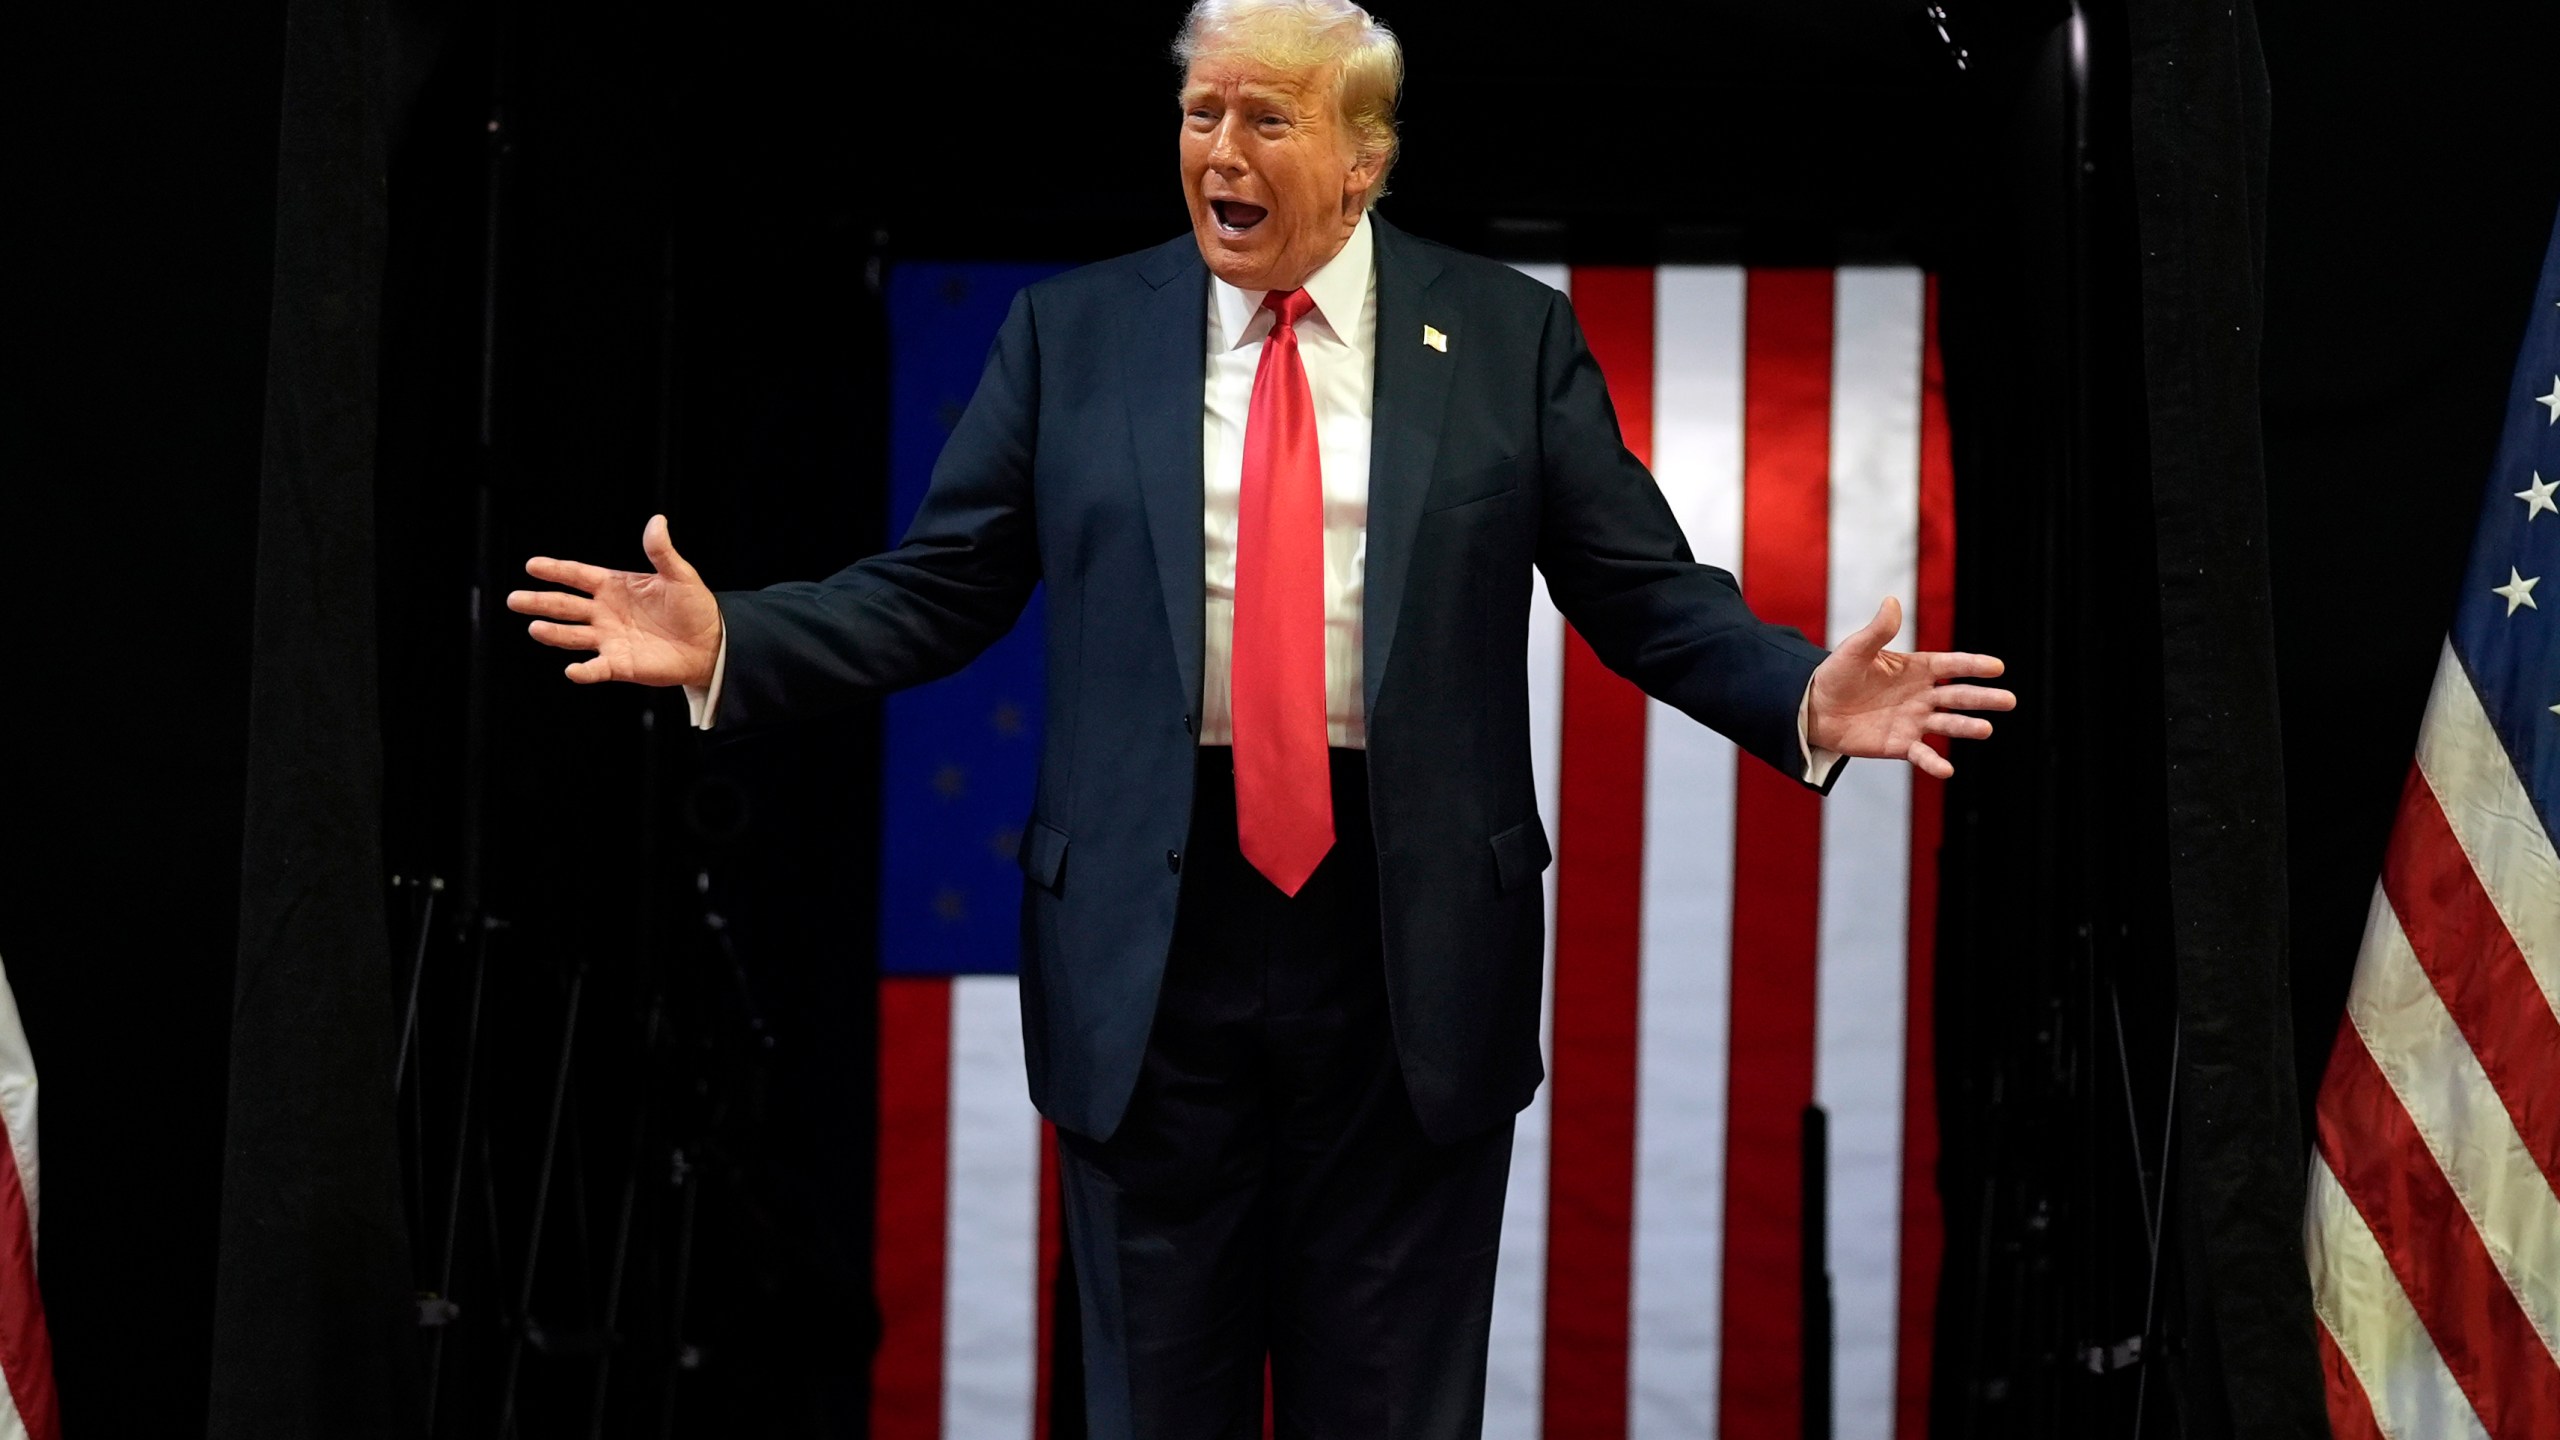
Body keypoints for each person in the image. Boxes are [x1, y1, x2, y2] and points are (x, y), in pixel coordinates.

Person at [508, 1, 2013, 1433]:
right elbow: (938, 588)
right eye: (1198, 113)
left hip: (1407, 940)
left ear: (1363, 154)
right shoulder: (1071, 337)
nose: (1220, 153)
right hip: (1150, 951)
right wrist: (736, 640)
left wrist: (1797, 690)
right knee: (1159, 1402)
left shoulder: (1503, 341)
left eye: (1266, 119)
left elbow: (1641, 594)